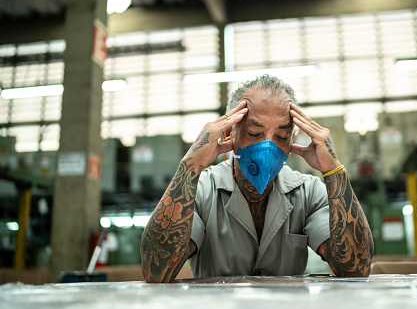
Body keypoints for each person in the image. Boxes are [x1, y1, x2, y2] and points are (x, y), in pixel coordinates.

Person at [140, 74, 374, 282]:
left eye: (281, 136)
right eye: (254, 133)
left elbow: (355, 269)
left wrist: (334, 171)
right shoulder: (200, 190)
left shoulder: (309, 192)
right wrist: (190, 165)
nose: (268, 146)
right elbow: (156, 270)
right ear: (230, 132)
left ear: (292, 138)